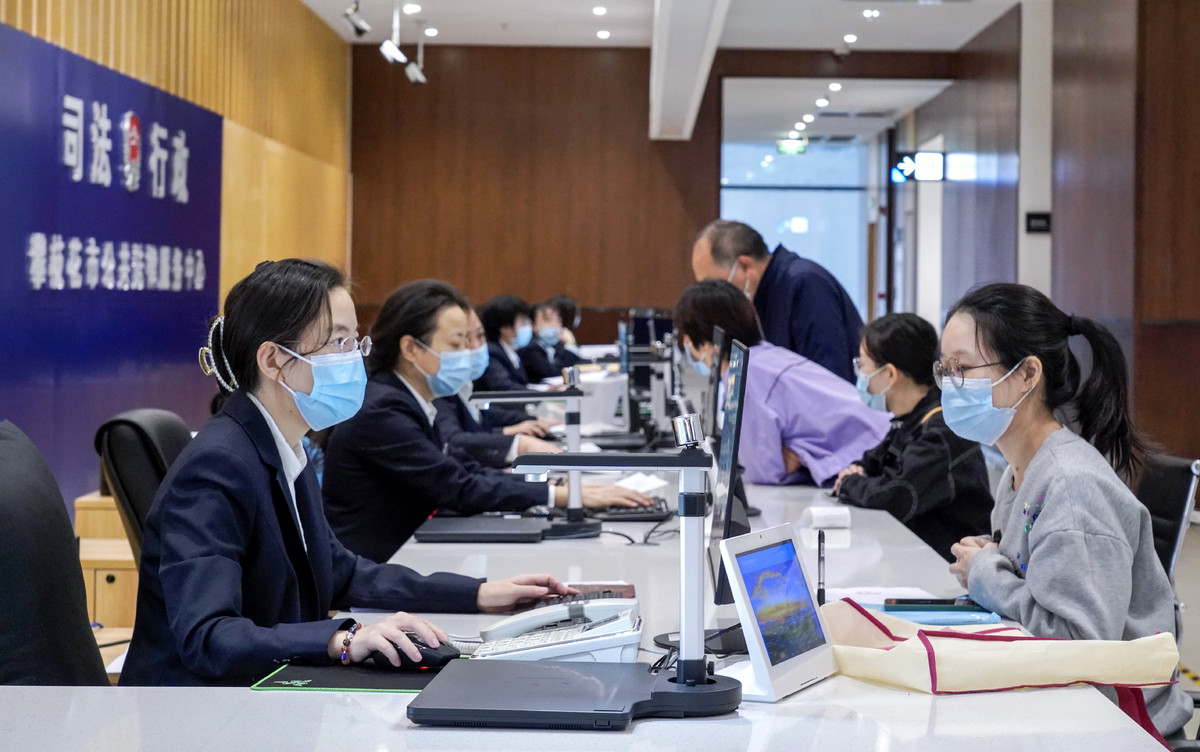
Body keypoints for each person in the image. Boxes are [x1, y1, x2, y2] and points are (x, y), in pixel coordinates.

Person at [120, 259, 573, 687]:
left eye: (355, 342)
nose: (354, 358)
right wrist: (341, 639)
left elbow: (342, 572)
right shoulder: (217, 466)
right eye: (337, 343)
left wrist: (477, 593)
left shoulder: (284, 443)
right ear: (273, 360)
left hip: (262, 691)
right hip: (198, 708)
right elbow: (207, 635)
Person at [940, 283, 1190, 738]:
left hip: (1118, 729)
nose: (950, 385)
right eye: (945, 369)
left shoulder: (1072, 486)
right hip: (1062, 707)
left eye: (963, 368)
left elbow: (1078, 645)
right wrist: (994, 556)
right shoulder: (1021, 469)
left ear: (1027, 373)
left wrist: (987, 575)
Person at [322, 280, 651, 562]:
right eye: (456, 344)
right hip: (378, 569)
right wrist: (562, 496)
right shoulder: (383, 409)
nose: (466, 353)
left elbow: (465, 468)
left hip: (411, 553)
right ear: (410, 348)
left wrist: (557, 487)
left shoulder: (409, 399)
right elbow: (457, 486)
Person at [673, 280, 889, 486]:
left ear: (707, 343)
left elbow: (761, 471)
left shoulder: (743, 375)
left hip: (878, 457)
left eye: (688, 341)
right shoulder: (765, 356)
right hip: (882, 440)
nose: (689, 349)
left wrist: (792, 459)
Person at [832, 313, 993, 561]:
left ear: (890, 374)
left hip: (946, 568)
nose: (860, 374)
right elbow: (870, 464)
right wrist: (858, 475)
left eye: (862, 365)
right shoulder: (911, 420)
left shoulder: (940, 431)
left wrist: (849, 483)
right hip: (915, 555)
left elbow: (893, 496)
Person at [690, 219, 861, 382]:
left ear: (745, 267)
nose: (711, 295)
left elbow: (829, 378)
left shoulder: (804, 285)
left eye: (713, 284)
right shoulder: (762, 300)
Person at [434, 306, 560, 468]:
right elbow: (452, 441)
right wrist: (517, 442)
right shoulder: (438, 389)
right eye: (460, 341)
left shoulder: (460, 384)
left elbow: (482, 417)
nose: (475, 345)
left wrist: (530, 421)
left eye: (480, 336)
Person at [475, 294, 533, 391]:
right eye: (522, 322)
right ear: (506, 328)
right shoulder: (491, 353)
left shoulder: (510, 350)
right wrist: (540, 394)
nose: (527, 326)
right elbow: (504, 386)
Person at [519, 300, 582, 382]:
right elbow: (552, 373)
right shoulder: (529, 348)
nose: (554, 325)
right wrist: (571, 346)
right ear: (533, 325)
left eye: (558, 321)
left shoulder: (555, 345)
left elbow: (572, 363)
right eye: (548, 320)